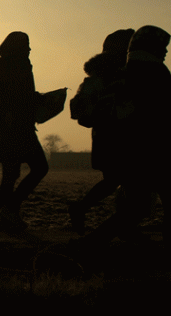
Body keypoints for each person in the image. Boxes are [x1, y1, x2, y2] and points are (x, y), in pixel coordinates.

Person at [74, 26, 171, 261]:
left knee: (138, 207)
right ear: (151, 48)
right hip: (158, 151)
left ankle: (91, 243)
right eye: (162, 48)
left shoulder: (122, 76)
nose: (164, 52)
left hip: (132, 153)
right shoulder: (154, 74)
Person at [67, 29, 135, 235]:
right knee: (123, 180)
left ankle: (86, 210)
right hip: (115, 136)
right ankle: (120, 225)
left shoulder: (98, 78)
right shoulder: (113, 77)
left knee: (118, 181)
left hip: (106, 136)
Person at [0, 31, 47, 233]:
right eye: (26, 45)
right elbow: (18, 99)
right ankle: (10, 211)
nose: (29, 49)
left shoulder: (2, 68)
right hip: (18, 130)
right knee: (39, 168)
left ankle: (6, 218)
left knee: (10, 175)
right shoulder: (19, 68)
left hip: (5, 130)